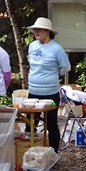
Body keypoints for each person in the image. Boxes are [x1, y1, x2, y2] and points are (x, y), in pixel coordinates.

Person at [26, 17, 70, 155]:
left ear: (47, 31)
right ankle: (28, 154)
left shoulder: (56, 48)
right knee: (29, 123)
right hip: (33, 90)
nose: (36, 32)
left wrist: (56, 74)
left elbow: (66, 67)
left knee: (51, 124)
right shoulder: (32, 46)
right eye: (35, 29)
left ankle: (53, 154)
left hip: (50, 92)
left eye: (39, 29)